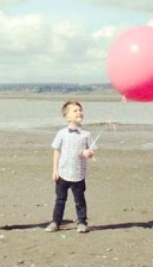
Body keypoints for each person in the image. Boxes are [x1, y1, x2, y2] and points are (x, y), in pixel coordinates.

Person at [45, 99, 94, 233]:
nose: (79, 112)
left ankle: (82, 222)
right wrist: (55, 170)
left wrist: (88, 153)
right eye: (75, 110)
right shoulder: (62, 133)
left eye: (80, 110)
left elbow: (90, 151)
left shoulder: (86, 134)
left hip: (78, 174)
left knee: (79, 201)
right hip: (63, 173)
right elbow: (57, 151)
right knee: (60, 200)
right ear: (67, 117)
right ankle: (56, 222)